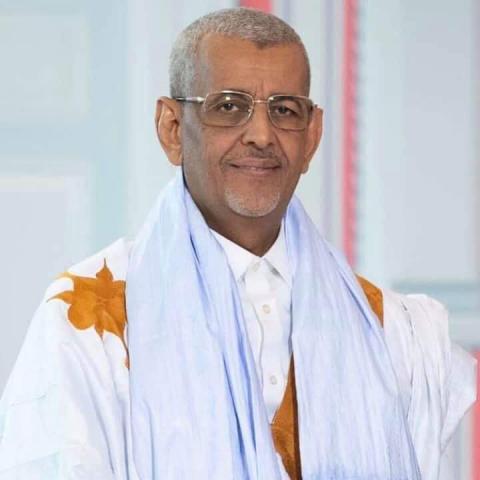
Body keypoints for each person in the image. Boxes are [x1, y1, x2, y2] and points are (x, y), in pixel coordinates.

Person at [0, 7, 476, 480]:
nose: (261, 135)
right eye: (229, 106)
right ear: (171, 129)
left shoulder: (396, 334)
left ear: (312, 136)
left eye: (284, 110)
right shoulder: (88, 322)